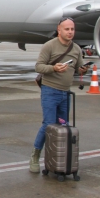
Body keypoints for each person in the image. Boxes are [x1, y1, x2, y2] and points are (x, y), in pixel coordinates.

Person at [30, 17, 89, 173]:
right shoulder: (49, 46)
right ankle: (35, 155)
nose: (70, 32)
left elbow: (78, 66)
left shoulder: (76, 48)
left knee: (63, 125)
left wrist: (82, 70)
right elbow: (38, 67)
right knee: (48, 124)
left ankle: (58, 158)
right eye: (67, 29)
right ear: (59, 30)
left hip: (66, 93)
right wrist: (53, 68)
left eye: (72, 29)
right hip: (50, 91)